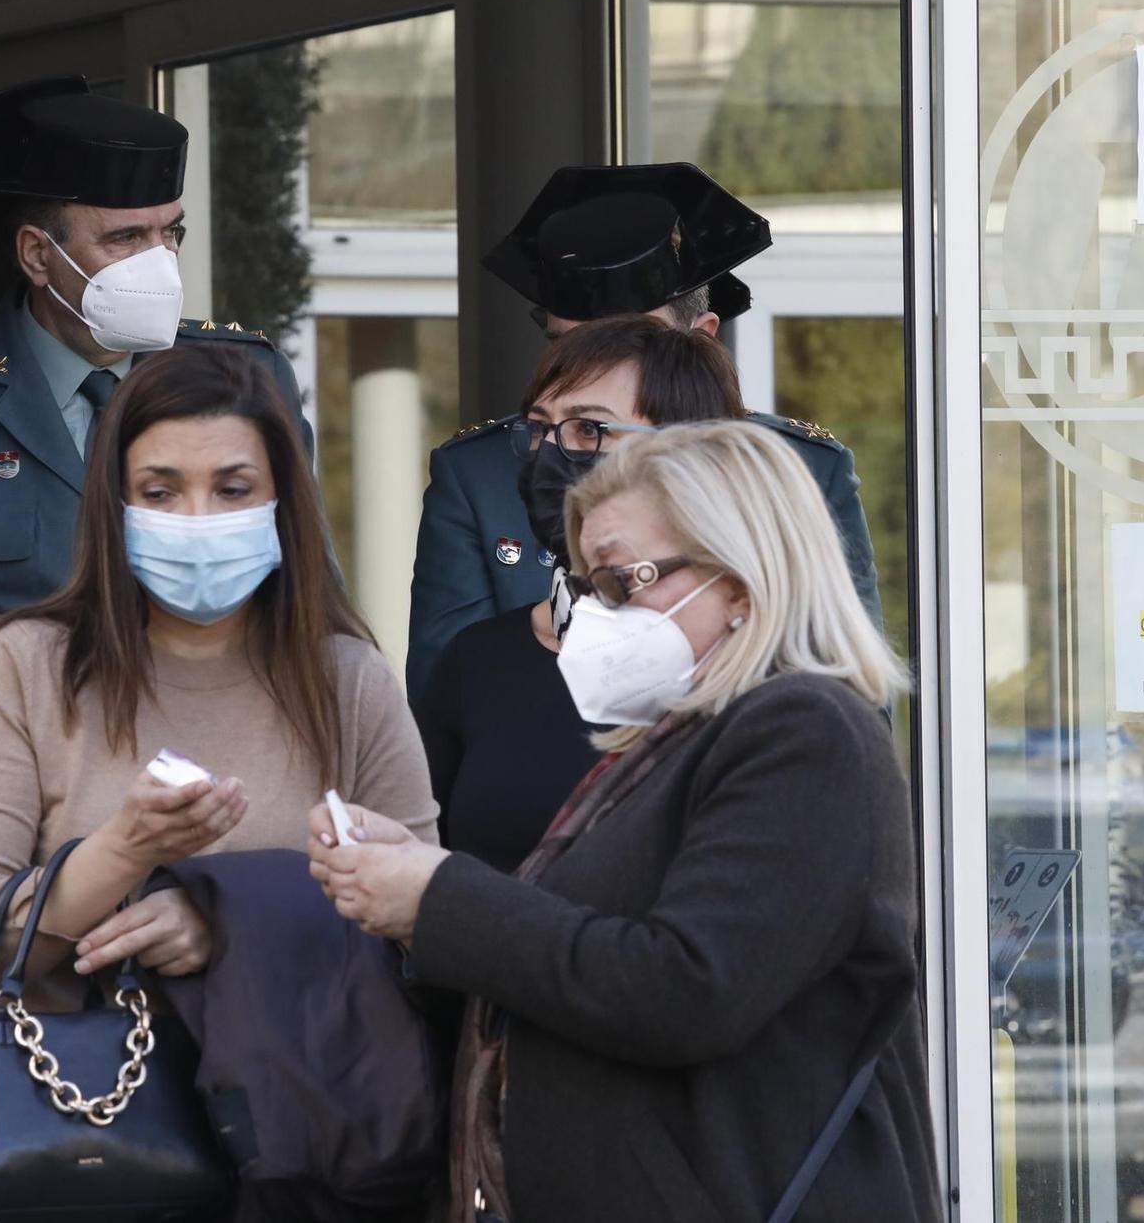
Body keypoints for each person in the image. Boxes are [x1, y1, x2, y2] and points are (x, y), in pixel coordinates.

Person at [313, 422, 939, 1223]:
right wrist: (418, 878)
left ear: (741, 582)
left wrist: (439, 895)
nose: (590, 619)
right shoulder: (675, 744)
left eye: (618, 584)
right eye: (583, 589)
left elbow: (686, 986)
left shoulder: (805, 734)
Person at [0, 75, 311, 746]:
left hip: (215, 763)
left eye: (170, 232)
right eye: (126, 238)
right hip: (1, 786)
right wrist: (56, 709)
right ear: (39, 255)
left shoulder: (244, 379)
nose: (159, 263)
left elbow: (306, 600)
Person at [0, 344, 438, 1012]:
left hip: (302, 1100)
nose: (197, 519)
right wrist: (123, 851)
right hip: (80, 1100)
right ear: (114, 504)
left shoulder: (348, 680)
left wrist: (231, 917)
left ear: (281, 500)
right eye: (160, 491)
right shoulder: (23, 668)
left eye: (232, 489)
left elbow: (424, 922)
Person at [404, 161, 881, 701]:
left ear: (698, 342)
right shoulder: (481, 474)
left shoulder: (802, 472)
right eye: (565, 344)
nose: (588, 368)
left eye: (628, 344)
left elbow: (852, 701)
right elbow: (442, 715)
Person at [415, 313, 746, 874]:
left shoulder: (762, 682)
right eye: (542, 427)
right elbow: (421, 874)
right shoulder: (477, 662)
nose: (553, 453)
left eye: (590, 429)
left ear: (685, 453)